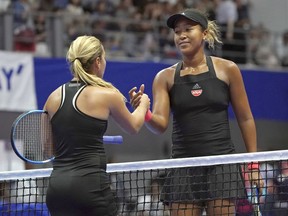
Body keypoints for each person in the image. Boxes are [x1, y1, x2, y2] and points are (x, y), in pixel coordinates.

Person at [129, 8, 264, 216]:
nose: (181, 35)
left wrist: (253, 164)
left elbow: (245, 118)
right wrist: (144, 111)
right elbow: (159, 125)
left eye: (188, 29)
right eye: (177, 31)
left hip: (221, 166)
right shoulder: (164, 78)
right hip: (184, 167)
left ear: (204, 33)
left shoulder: (228, 69)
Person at [44, 35, 150, 216]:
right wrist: (143, 105)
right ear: (98, 61)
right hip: (90, 188)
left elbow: (47, 150)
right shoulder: (107, 94)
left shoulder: (52, 98)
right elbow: (134, 126)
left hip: (56, 191)